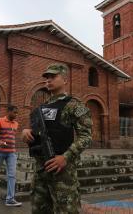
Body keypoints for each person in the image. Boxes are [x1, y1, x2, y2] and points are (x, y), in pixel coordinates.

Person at [22, 63, 92, 214]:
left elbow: (86, 137)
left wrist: (65, 157)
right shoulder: (42, 108)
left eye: (53, 76)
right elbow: (39, 133)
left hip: (63, 172)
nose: (48, 80)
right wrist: (27, 132)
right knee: (38, 209)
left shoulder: (74, 105)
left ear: (65, 80)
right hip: (41, 169)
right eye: (47, 77)